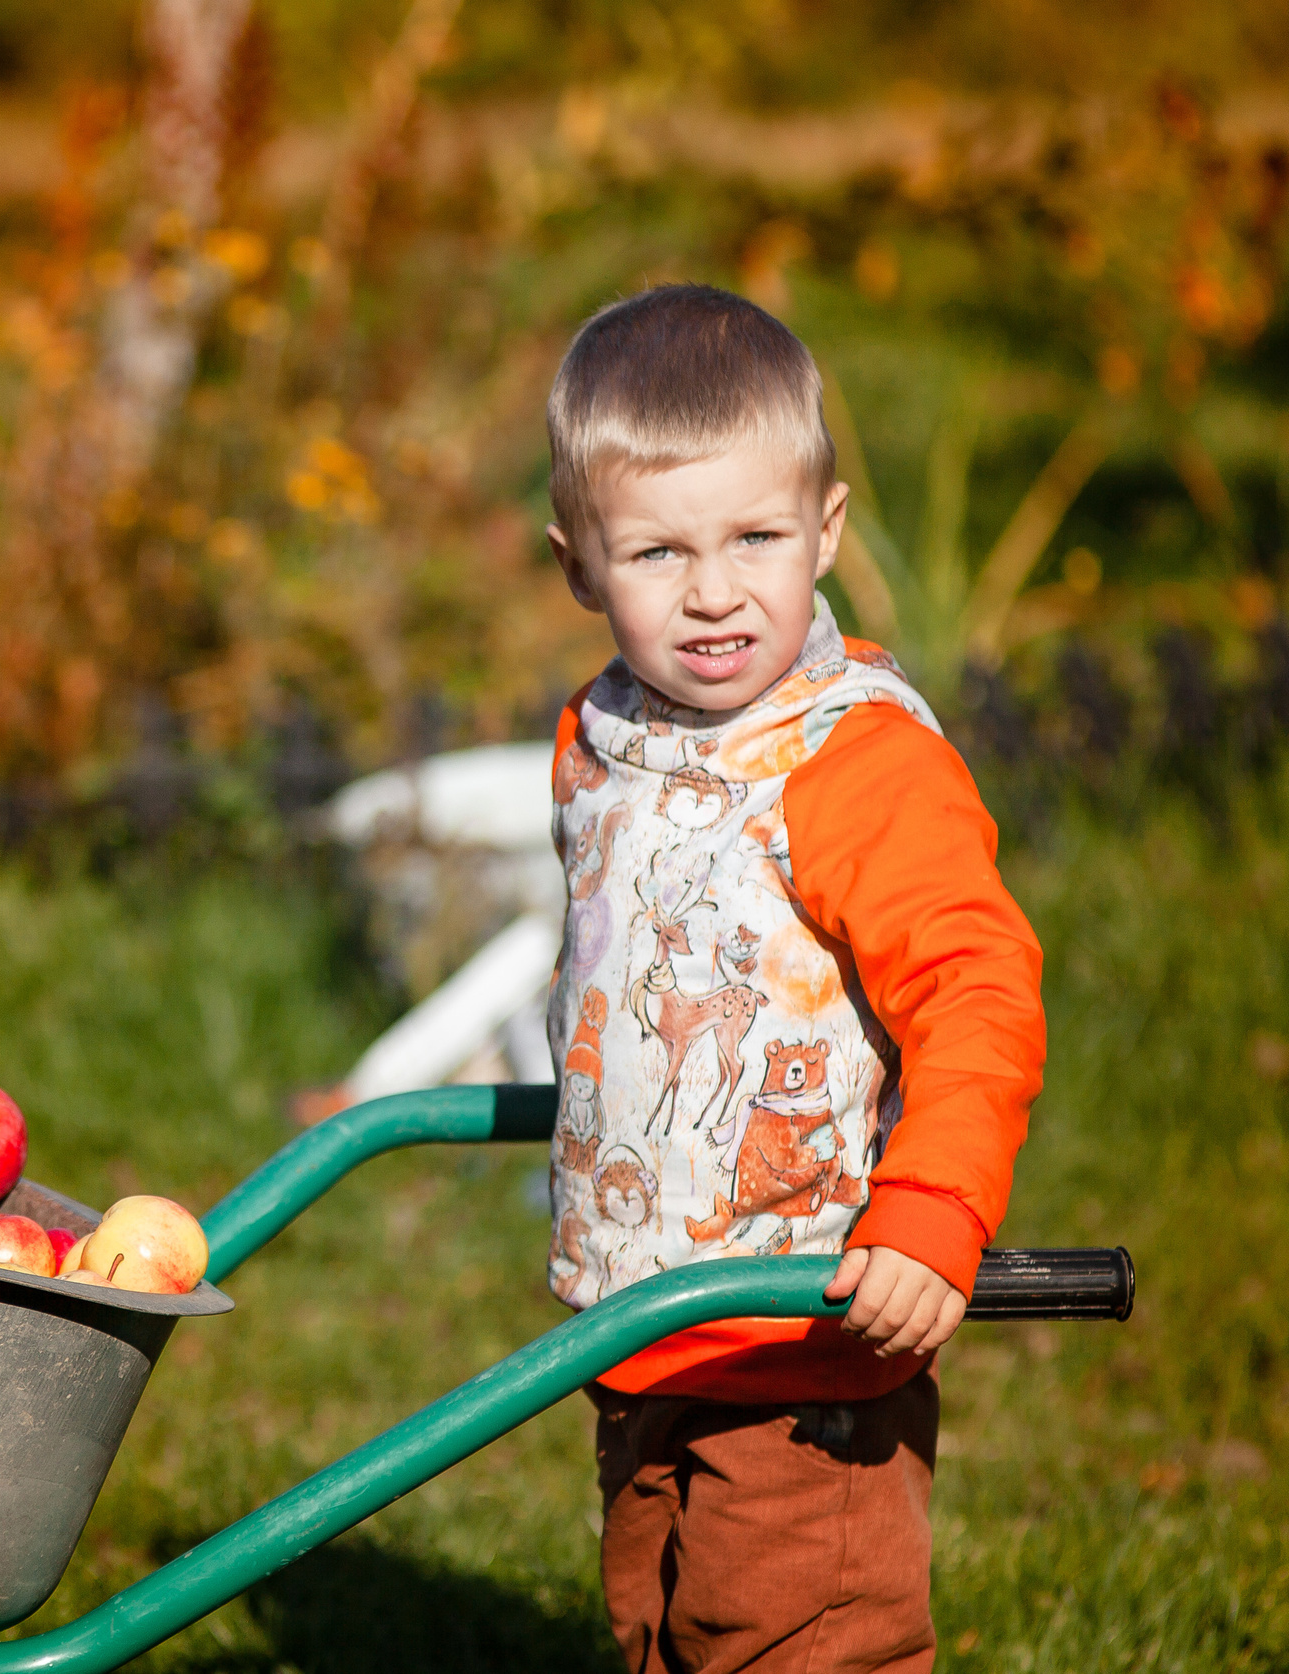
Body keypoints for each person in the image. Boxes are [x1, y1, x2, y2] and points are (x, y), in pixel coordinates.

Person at [539, 283, 1044, 1672]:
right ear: (580, 562)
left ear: (825, 530)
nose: (714, 592)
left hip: (806, 1334)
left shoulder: (854, 762)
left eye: (756, 538)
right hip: (644, 1339)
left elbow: (976, 985)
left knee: (796, 1643)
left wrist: (936, 1207)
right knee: (656, 1633)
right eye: (656, 551)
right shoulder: (601, 735)